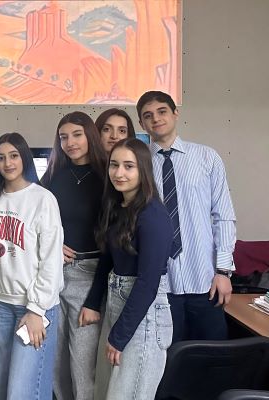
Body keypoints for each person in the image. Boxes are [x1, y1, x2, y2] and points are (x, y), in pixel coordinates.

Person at [136, 91, 237, 342]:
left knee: (212, 356)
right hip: (160, 285)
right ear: (141, 123)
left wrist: (223, 271)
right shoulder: (138, 165)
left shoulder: (207, 157)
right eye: (148, 115)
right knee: (169, 359)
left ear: (175, 113)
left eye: (162, 111)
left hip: (206, 282)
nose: (156, 119)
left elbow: (223, 216)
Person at [82, 137, 174, 400]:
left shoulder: (153, 215)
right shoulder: (118, 206)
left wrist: (119, 337)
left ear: (142, 170)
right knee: (107, 393)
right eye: (114, 165)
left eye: (129, 166)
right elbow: (107, 260)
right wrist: (92, 302)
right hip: (117, 304)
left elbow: (148, 283)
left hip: (144, 315)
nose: (119, 173)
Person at [0, 132, 64, 400]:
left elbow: (51, 261)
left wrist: (36, 309)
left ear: (24, 158)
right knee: (1, 387)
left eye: (14, 156)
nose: (7, 163)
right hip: (0, 306)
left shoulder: (42, 199)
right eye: (1, 158)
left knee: (22, 392)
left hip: (32, 308)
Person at [41, 112, 106, 400]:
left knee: (83, 363)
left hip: (89, 274)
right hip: (54, 273)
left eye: (77, 135)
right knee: (55, 363)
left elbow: (112, 242)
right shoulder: (53, 176)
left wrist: (94, 299)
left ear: (90, 135)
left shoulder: (107, 176)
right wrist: (53, 246)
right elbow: (36, 225)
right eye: (63, 137)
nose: (70, 142)